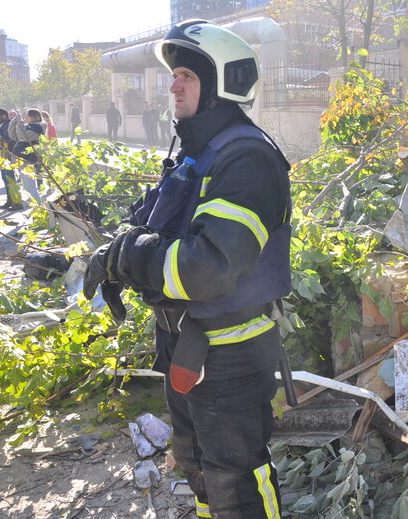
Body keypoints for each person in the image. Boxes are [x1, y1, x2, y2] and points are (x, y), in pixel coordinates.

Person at [83, 19, 291, 518]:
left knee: (236, 479)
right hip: (186, 343)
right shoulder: (195, 154)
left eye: (187, 76)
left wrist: (129, 259)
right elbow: (148, 225)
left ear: (222, 83)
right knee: (197, 467)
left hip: (232, 353)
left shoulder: (248, 161)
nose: (173, 86)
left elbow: (210, 268)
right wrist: (111, 256)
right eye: (174, 75)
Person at [0, 108, 23, 210]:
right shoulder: (4, 125)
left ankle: (17, 203)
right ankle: (10, 201)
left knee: (11, 181)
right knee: (6, 179)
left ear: (4, 115)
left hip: (9, 155)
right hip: (4, 156)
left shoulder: (8, 124)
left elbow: (4, 137)